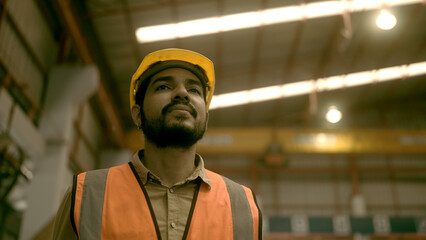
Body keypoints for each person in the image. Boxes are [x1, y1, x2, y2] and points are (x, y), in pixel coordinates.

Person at [52, 48, 262, 240]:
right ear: (137, 115)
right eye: (163, 86)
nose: (182, 93)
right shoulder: (86, 194)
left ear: (206, 120)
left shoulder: (243, 205)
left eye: (194, 90)